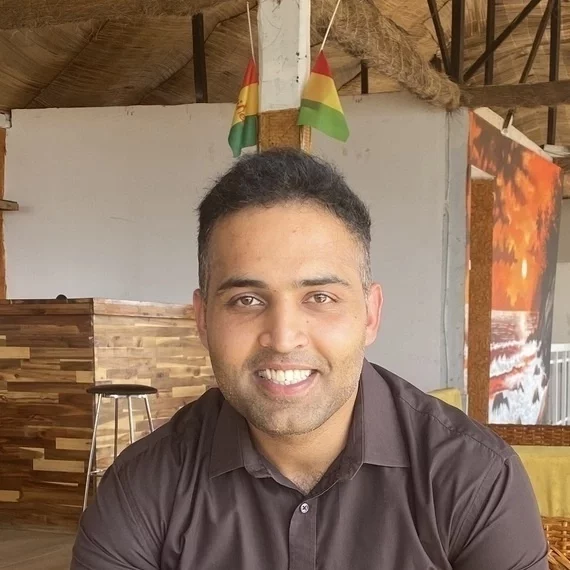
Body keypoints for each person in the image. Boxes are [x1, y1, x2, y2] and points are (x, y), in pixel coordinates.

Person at [71, 148, 548, 570]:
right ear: (202, 318)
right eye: (246, 300)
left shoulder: (473, 478)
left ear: (370, 314)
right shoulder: (143, 488)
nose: (282, 338)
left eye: (320, 297)